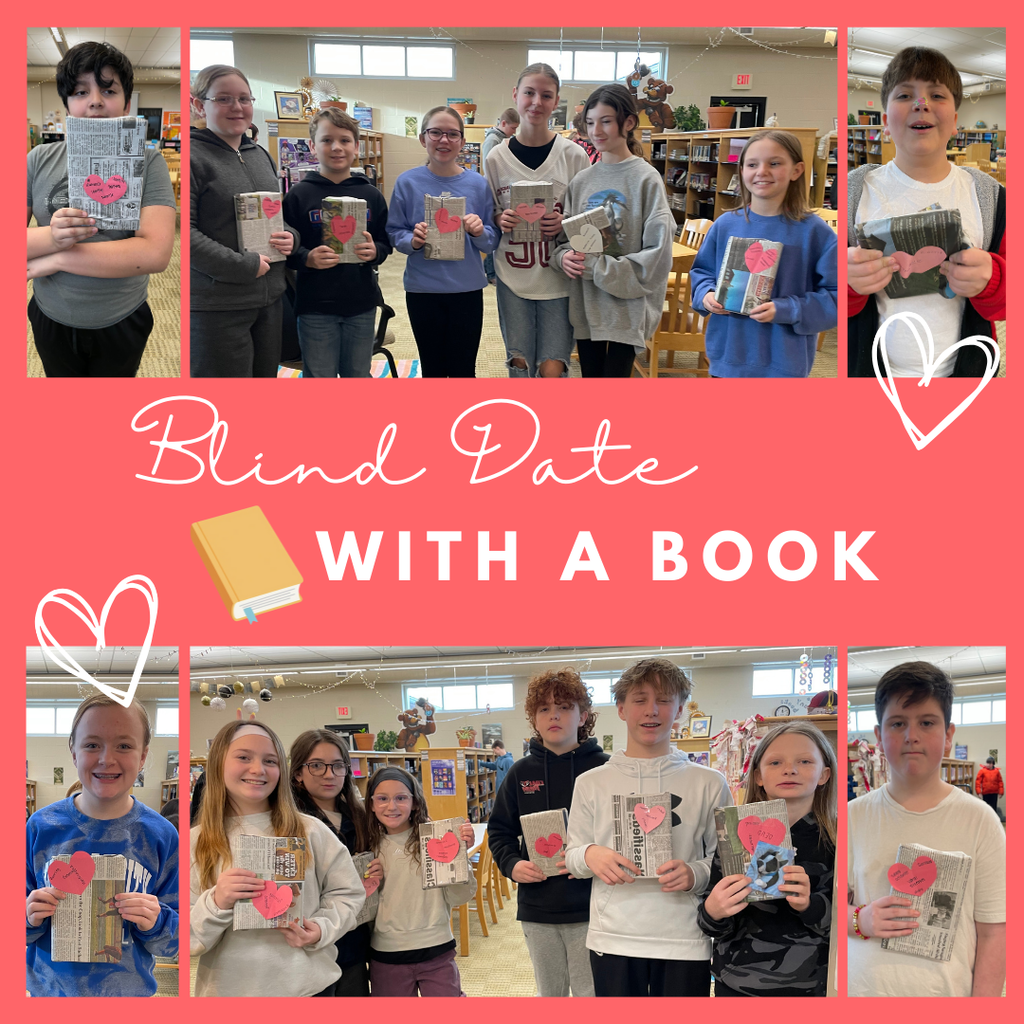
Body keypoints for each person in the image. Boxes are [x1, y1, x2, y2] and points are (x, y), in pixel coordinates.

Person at [564, 658, 732, 996]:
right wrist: (591, 854)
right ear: (622, 709)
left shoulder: (710, 783)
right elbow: (572, 856)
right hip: (613, 937)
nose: (651, 710)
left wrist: (695, 873)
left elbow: (725, 860)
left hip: (685, 938)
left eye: (664, 700)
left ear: (680, 709)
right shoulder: (590, 782)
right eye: (640, 699)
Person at [847, 662, 1005, 996]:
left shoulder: (980, 821)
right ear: (878, 736)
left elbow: (994, 932)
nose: (911, 735)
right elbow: (828, 909)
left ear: (948, 736)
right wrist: (860, 919)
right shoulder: (853, 817)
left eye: (927, 722)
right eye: (898, 723)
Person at [847, 47, 1005, 377]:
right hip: (873, 373)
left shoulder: (991, 198)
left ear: (955, 124)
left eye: (936, 94)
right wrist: (846, 281)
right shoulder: (853, 192)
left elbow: (1006, 301)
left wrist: (993, 279)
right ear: (885, 121)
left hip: (965, 373)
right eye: (905, 94)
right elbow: (822, 294)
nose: (922, 103)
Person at [27, 41, 176, 377]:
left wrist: (58, 257)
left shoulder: (148, 160)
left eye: (108, 90)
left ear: (126, 101)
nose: (95, 100)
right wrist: (54, 237)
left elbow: (155, 254)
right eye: (80, 92)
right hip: (52, 315)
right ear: (66, 103)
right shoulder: (37, 160)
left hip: (122, 317)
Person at [190, 721, 364, 997]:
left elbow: (348, 893)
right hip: (228, 992)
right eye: (244, 757)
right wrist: (216, 902)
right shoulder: (195, 842)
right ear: (218, 763)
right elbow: (185, 938)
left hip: (308, 989)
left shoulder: (312, 831)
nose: (258, 769)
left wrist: (320, 929)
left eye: (270, 760)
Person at [26, 693, 178, 996]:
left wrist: (156, 922)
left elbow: (175, 944)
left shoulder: (161, 836)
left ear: (144, 755)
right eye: (92, 744)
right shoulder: (40, 828)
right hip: (49, 997)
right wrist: (28, 917)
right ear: (73, 751)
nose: (107, 758)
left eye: (124, 745)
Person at [487, 668, 609, 996]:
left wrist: (589, 859)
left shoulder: (606, 770)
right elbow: (499, 831)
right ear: (535, 721)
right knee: (550, 994)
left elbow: (618, 835)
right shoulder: (519, 773)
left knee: (591, 995)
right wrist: (511, 864)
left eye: (564, 707)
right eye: (544, 709)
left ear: (583, 716)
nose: (554, 715)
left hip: (593, 907)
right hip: (539, 908)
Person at [698, 722, 837, 996]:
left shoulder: (838, 839)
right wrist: (714, 910)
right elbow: (708, 921)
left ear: (825, 775)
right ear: (758, 776)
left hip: (810, 989)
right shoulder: (735, 836)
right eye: (775, 762)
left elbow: (847, 922)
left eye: (805, 761)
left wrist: (810, 904)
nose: (790, 769)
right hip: (736, 987)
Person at [689, 130, 838, 377]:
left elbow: (836, 297)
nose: (761, 171)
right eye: (752, 164)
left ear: (797, 170)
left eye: (775, 163)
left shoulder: (815, 232)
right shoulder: (725, 225)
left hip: (784, 363)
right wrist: (706, 295)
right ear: (742, 171)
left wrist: (788, 309)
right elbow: (702, 273)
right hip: (727, 358)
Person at [553, 83, 674, 377]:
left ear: (628, 123)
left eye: (606, 121)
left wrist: (596, 268)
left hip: (628, 309)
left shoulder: (646, 178)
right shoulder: (581, 181)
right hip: (586, 307)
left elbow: (657, 257)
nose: (597, 131)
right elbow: (564, 240)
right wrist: (562, 258)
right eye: (591, 123)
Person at [190, 65, 299, 377]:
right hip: (218, 306)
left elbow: (279, 218)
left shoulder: (261, 155)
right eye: (224, 99)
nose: (237, 107)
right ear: (200, 105)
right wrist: (242, 265)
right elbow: (188, 235)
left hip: (269, 303)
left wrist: (291, 237)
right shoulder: (194, 157)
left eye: (244, 98)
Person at [485, 63, 590, 377]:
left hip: (559, 278)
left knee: (553, 365)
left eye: (546, 95)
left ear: (556, 102)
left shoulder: (574, 156)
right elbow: (487, 215)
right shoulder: (495, 158)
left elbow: (587, 223)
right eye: (529, 93)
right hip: (512, 275)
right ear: (516, 95)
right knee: (519, 362)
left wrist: (564, 222)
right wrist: (498, 217)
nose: (536, 102)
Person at [388, 106, 500, 377]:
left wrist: (478, 232)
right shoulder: (407, 183)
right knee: (433, 370)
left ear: (462, 141)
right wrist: (412, 241)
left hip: (467, 290)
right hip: (422, 290)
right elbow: (394, 232)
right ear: (423, 138)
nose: (444, 140)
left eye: (452, 134)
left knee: (464, 370)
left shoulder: (478, 184)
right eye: (436, 132)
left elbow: (492, 240)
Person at [283, 108, 390, 378]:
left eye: (344, 140)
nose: (336, 147)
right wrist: (307, 257)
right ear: (312, 146)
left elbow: (385, 242)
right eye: (327, 140)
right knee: (319, 374)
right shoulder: (299, 195)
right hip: (314, 305)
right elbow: (285, 249)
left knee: (357, 373)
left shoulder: (370, 195)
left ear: (356, 146)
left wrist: (375, 251)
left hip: (361, 303)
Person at [364, 767, 476, 996]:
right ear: (372, 804)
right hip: (387, 954)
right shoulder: (367, 847)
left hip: (437, 949)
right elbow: (363, 908)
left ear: (415, 802)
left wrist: (459, 859)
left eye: (401, 798)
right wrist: (371, 883)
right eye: (382, 799)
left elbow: (459, 896)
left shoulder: (436, 839)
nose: (392, 806)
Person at [290, 730, 373, 996]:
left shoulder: (360, 817)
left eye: (338, 766)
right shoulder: (290, 821)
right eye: (316, 765)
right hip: (307, 939)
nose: (329, 774)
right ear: (297, 773)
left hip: (354, 936)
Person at [482, 108, 521, 284]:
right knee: (494, 233)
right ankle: (490, 273)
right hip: (492, 191)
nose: (514, 132)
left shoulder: (501, 139)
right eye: (513, 128)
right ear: (503, 123)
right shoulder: (493, 140)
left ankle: (488, 269)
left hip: (499, 190)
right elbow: (491, 169)